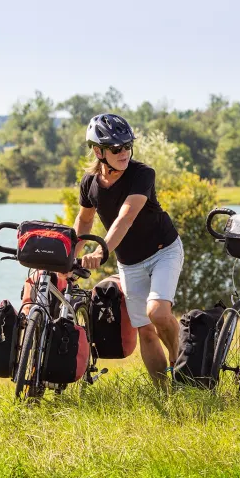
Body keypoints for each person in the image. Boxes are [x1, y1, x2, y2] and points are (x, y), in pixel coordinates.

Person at [72, 113, 184, 385]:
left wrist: (101, 252)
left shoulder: (141, 174)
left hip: (163, 251)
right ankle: (164, 392)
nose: (124, 153)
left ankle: (182, 366)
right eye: (116, 148)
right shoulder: (90, 183)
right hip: (130, 262)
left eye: (127, 146)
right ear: (98, 151)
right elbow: (85, 220)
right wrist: (69, 260)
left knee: (158, 313)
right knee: (145, 330)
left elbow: (126, 216)